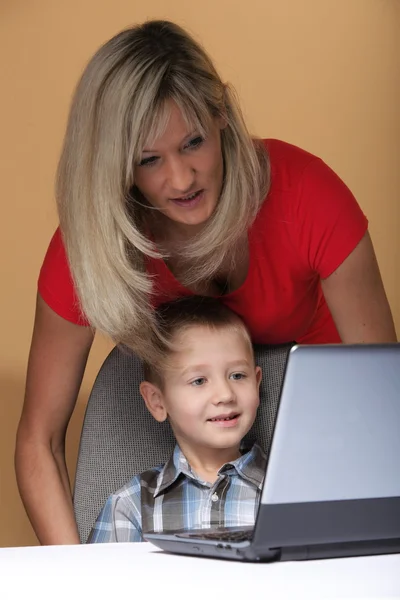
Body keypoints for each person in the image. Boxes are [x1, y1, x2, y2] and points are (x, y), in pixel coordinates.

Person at [15, 20, 397, 546]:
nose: (181, 179)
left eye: (192, 142)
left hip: (324, 444)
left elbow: (382, 405)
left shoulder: (308, 195)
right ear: (118, 167)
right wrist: (79, 579)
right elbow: (40, 439)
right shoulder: (88, 247)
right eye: (149, 160)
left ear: (221, 114)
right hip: (165, 446)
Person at [89, 296, 264, 543]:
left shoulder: (291, 495)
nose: (225, 394)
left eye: (237, 375)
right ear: (157, 402)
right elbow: (101, 582)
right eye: (199, 381)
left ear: (257, 383)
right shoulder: (131, 506)